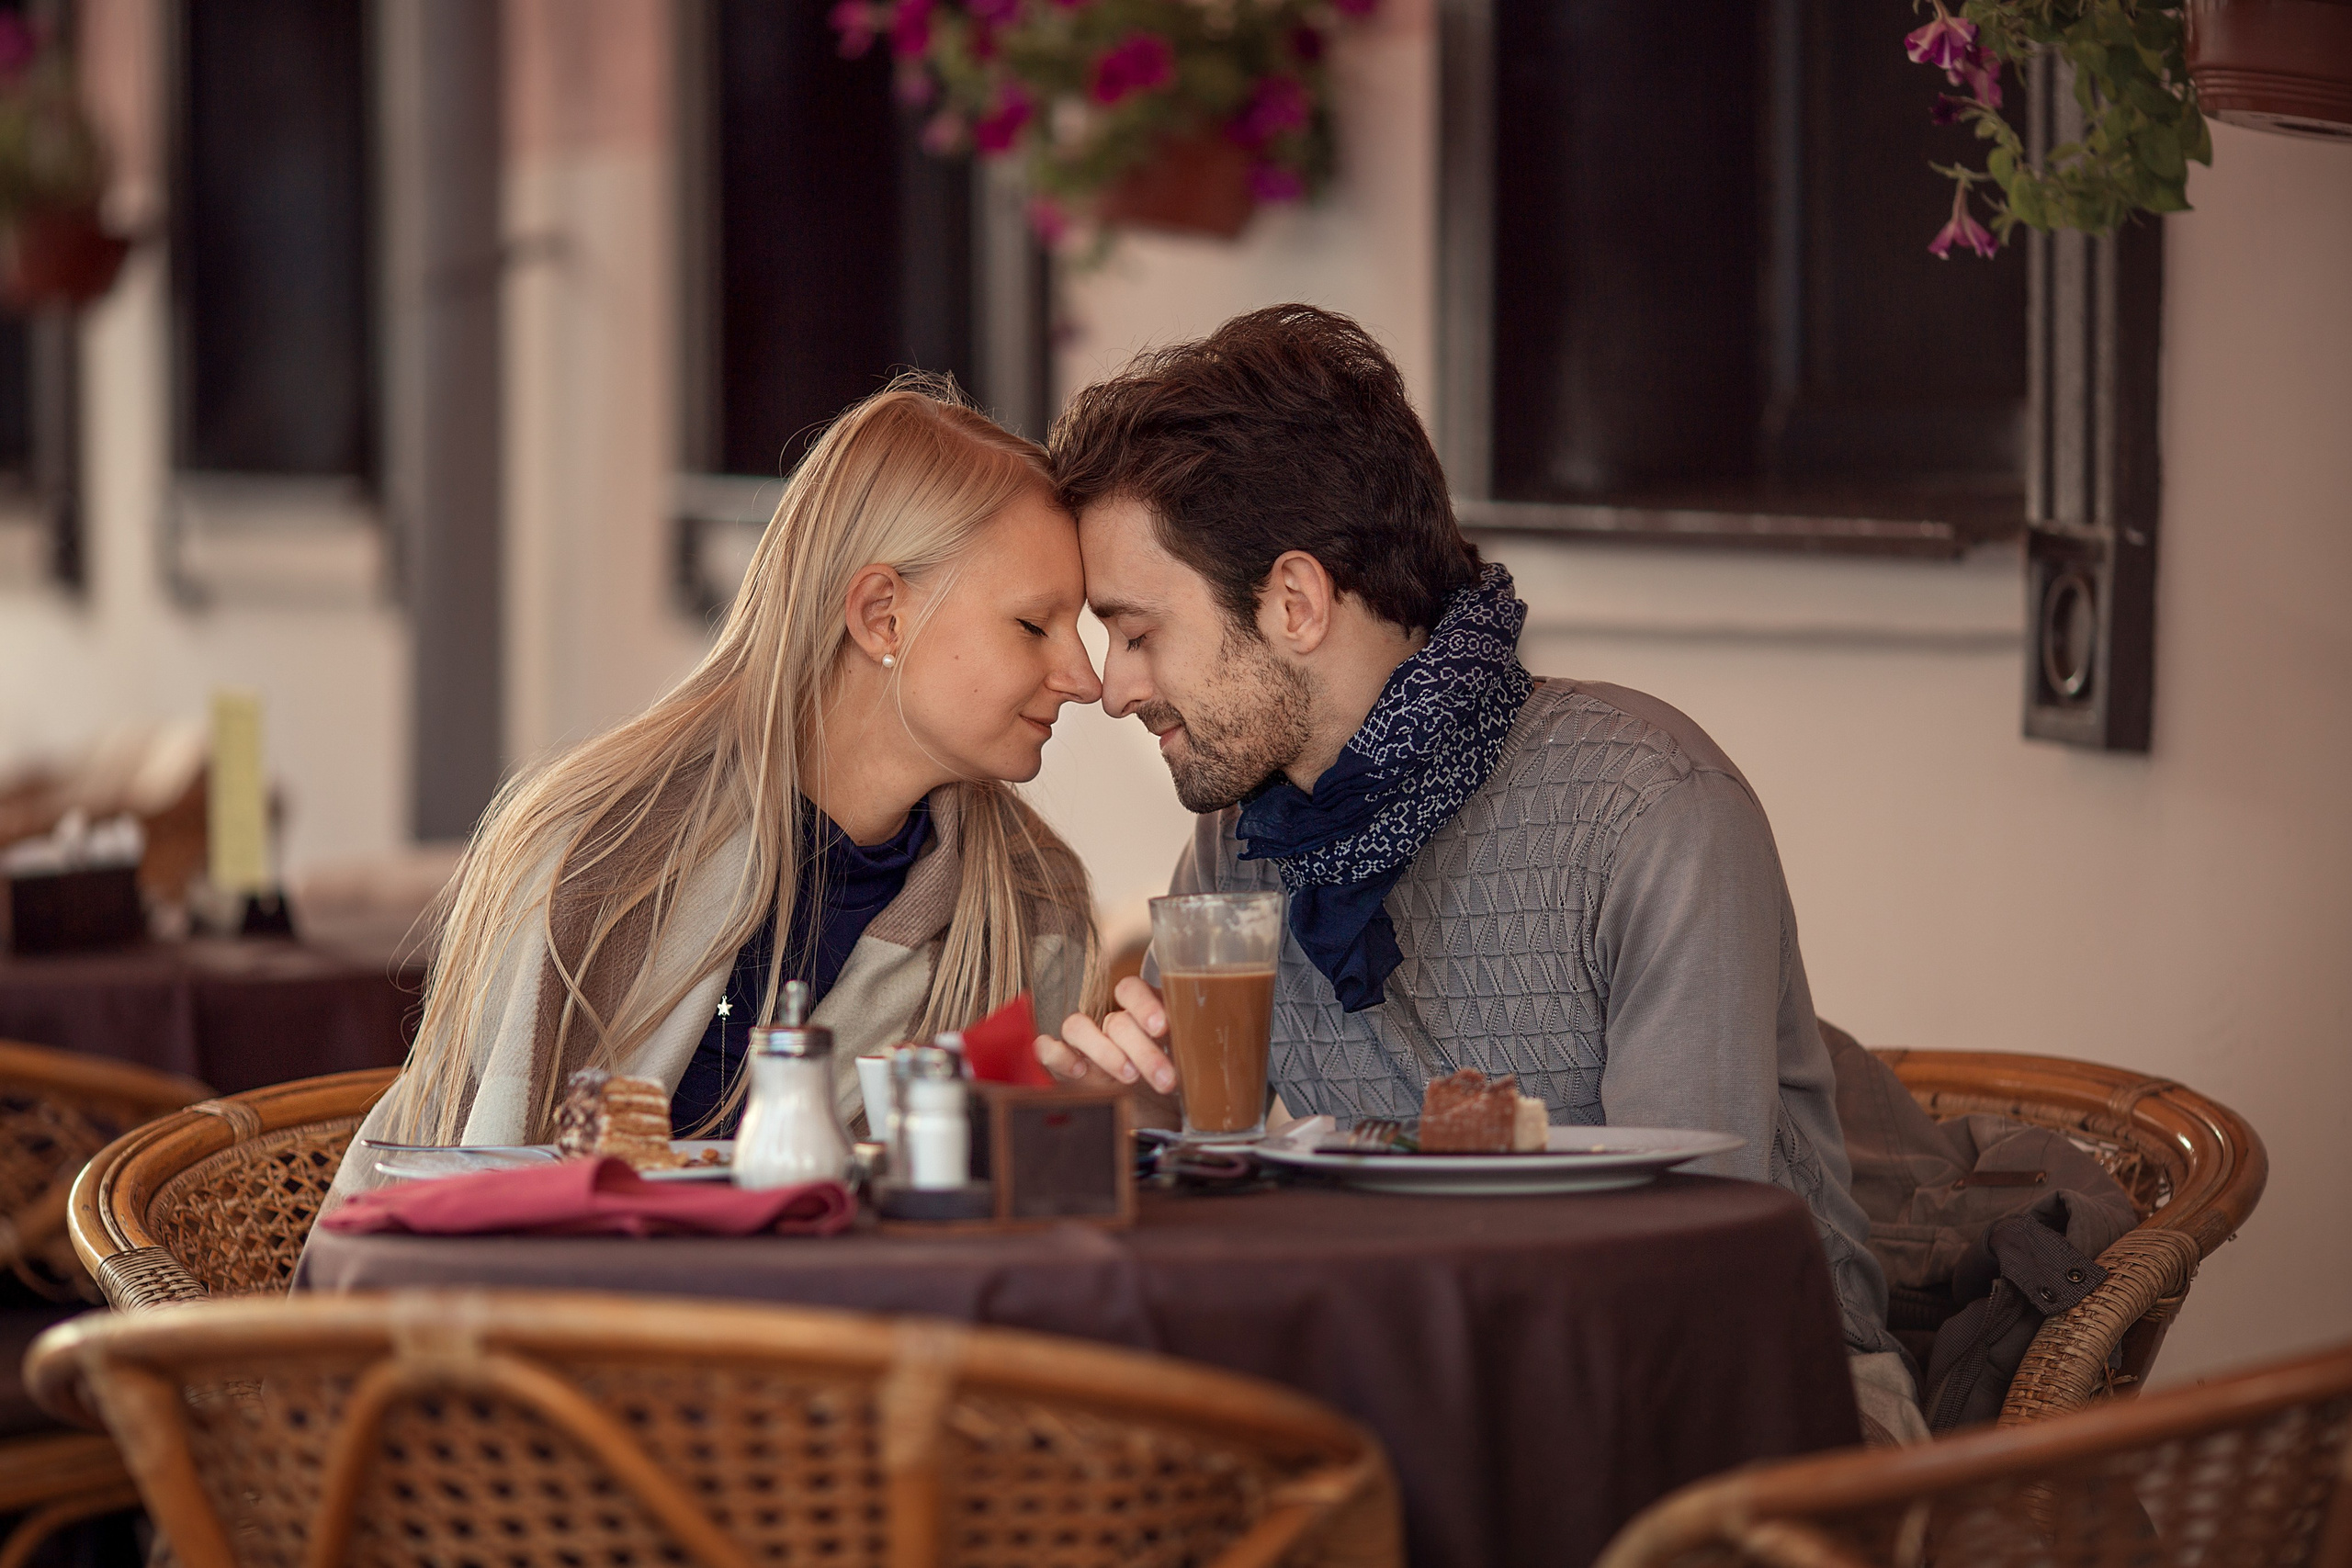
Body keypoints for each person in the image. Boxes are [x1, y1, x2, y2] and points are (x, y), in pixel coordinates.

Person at [1037, 305, 1926, 1443]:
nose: (1112, 688)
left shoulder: (1646, 807)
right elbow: (1233, 1212)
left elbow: (1690, 1262)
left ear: (1294, 602)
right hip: (1407, 1390)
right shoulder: (1240, 847)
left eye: (1136, 632)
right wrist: (1150, 1127)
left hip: (1745, 1407)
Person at [328, 376, 1103, 1202]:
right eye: (1034, 625)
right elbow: (466, 1189)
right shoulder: (595, 856)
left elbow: (1023, 1226)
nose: (1085, 678)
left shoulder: (1033, 906)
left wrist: (1100, 1121)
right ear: (882, 615)